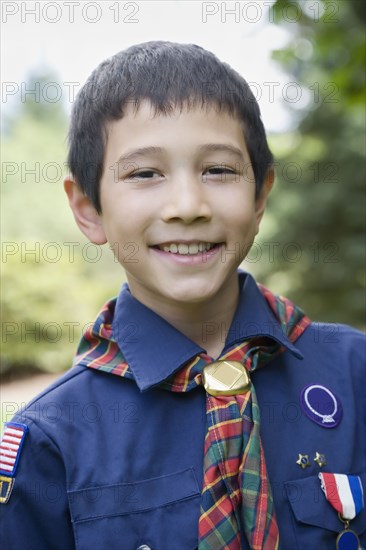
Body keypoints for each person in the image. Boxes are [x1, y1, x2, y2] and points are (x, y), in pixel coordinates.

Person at [0, 41, 365, 550]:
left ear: (260, 196)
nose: (188, 206)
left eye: (218, 170)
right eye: (144, 173)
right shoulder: (49, 437)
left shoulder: (355, 373)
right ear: (88, 208)